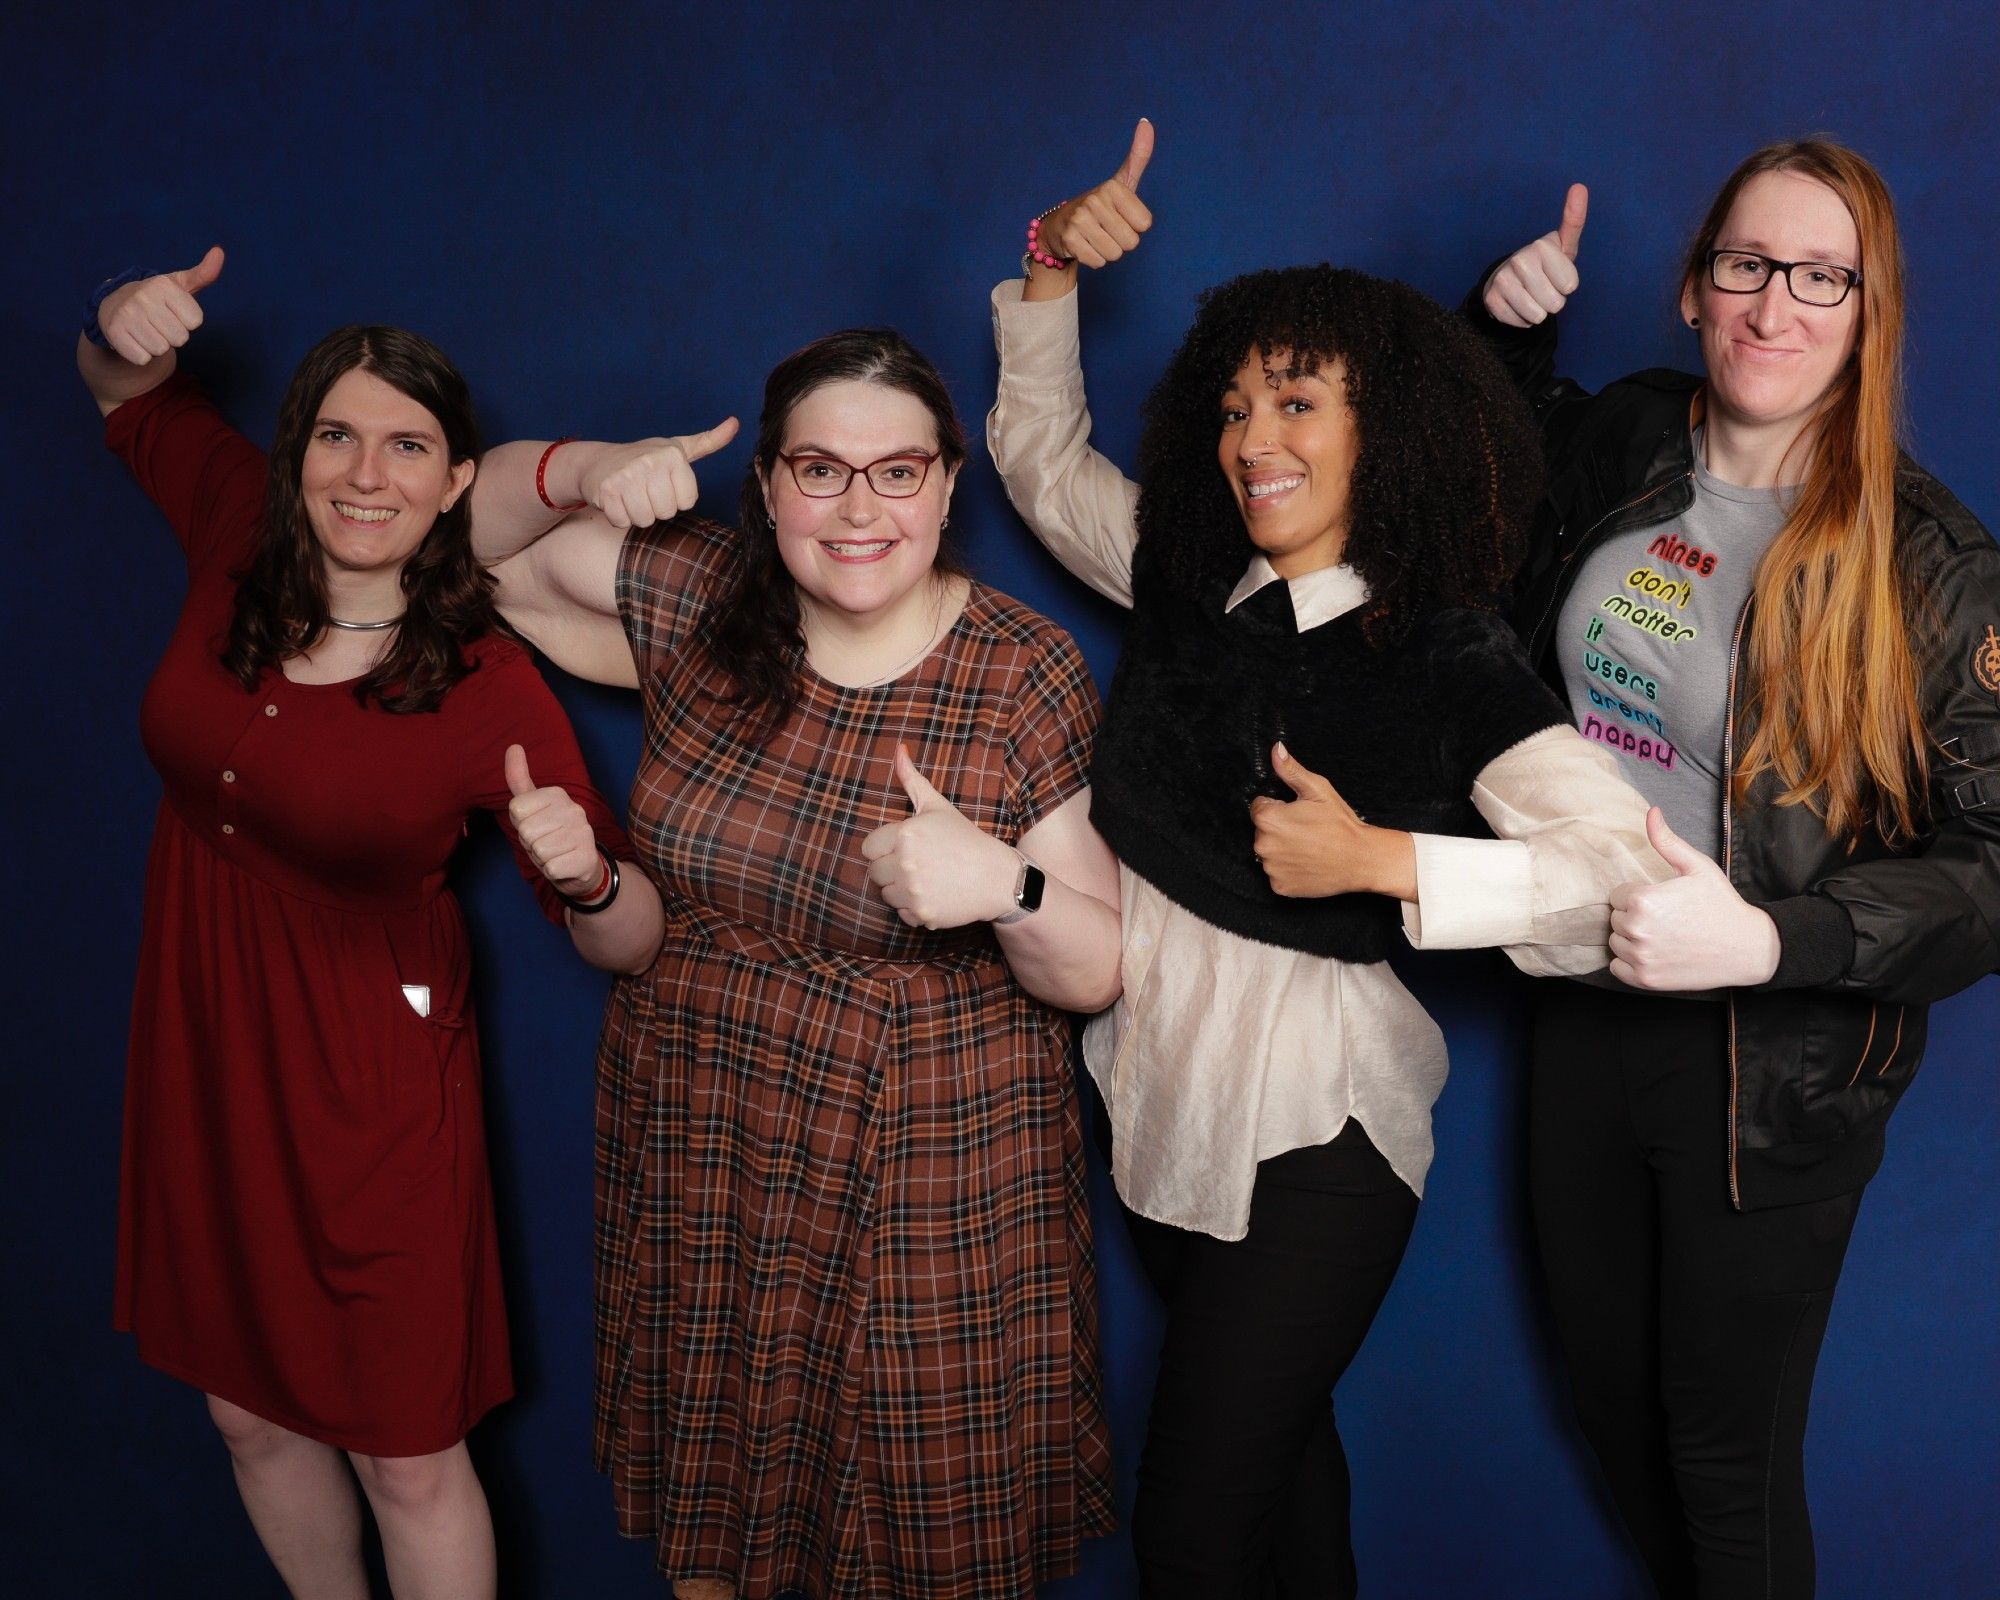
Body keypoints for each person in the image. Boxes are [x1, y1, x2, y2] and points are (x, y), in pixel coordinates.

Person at [987, 122, 1672, 1599]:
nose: (1253, 440)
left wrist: (1390, 860)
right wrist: (1048, 269)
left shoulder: (1443, 655)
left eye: (1297, 401)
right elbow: (1041, 465)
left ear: (1387, 431)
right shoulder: (1187, 578)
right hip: (1152, 1093)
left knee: (1189, 1530)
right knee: (1288, 1497)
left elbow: (1628, 878)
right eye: (1234, 405)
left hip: (1318, 1135)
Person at [471, 327, 1123, 1599]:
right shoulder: (700, 600)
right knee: (720, 1528)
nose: (857, 506)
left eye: (896, 471)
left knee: (922, 1547)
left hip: (925, 1158)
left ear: (945, 486)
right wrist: (587, 468)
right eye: (819, 470)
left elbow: (1094, 969)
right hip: (707, 1123)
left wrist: (1003, 886)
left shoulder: (1016, 669)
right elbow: (457, 539)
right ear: (764, 485)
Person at [81, 247, 664, 1600]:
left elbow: (629, 941)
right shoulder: (235, 533)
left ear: (456, 482)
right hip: (203, 1043)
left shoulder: (488, 686)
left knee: (407, 1452)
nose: (363, 473)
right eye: (335, 436)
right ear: (294, 459)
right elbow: (128, 398)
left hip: (371, 1085)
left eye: (407, 446)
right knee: (247, 1409)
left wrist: (587, 880)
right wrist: (121, 329)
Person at [1471, 140, 2000, 1597]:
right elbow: (1485, 517)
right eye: (1745, 266)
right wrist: (1506, 339)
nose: (1775, 308)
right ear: (1696, 286)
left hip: (1771, 1067)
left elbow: (1996, 867)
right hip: (1581, 1002)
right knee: (1612, 1411)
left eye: (1819, 275)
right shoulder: (1629, 437)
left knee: (1726, 1462)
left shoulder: (1939, 566)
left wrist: (1773, 944)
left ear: (1867, 305)